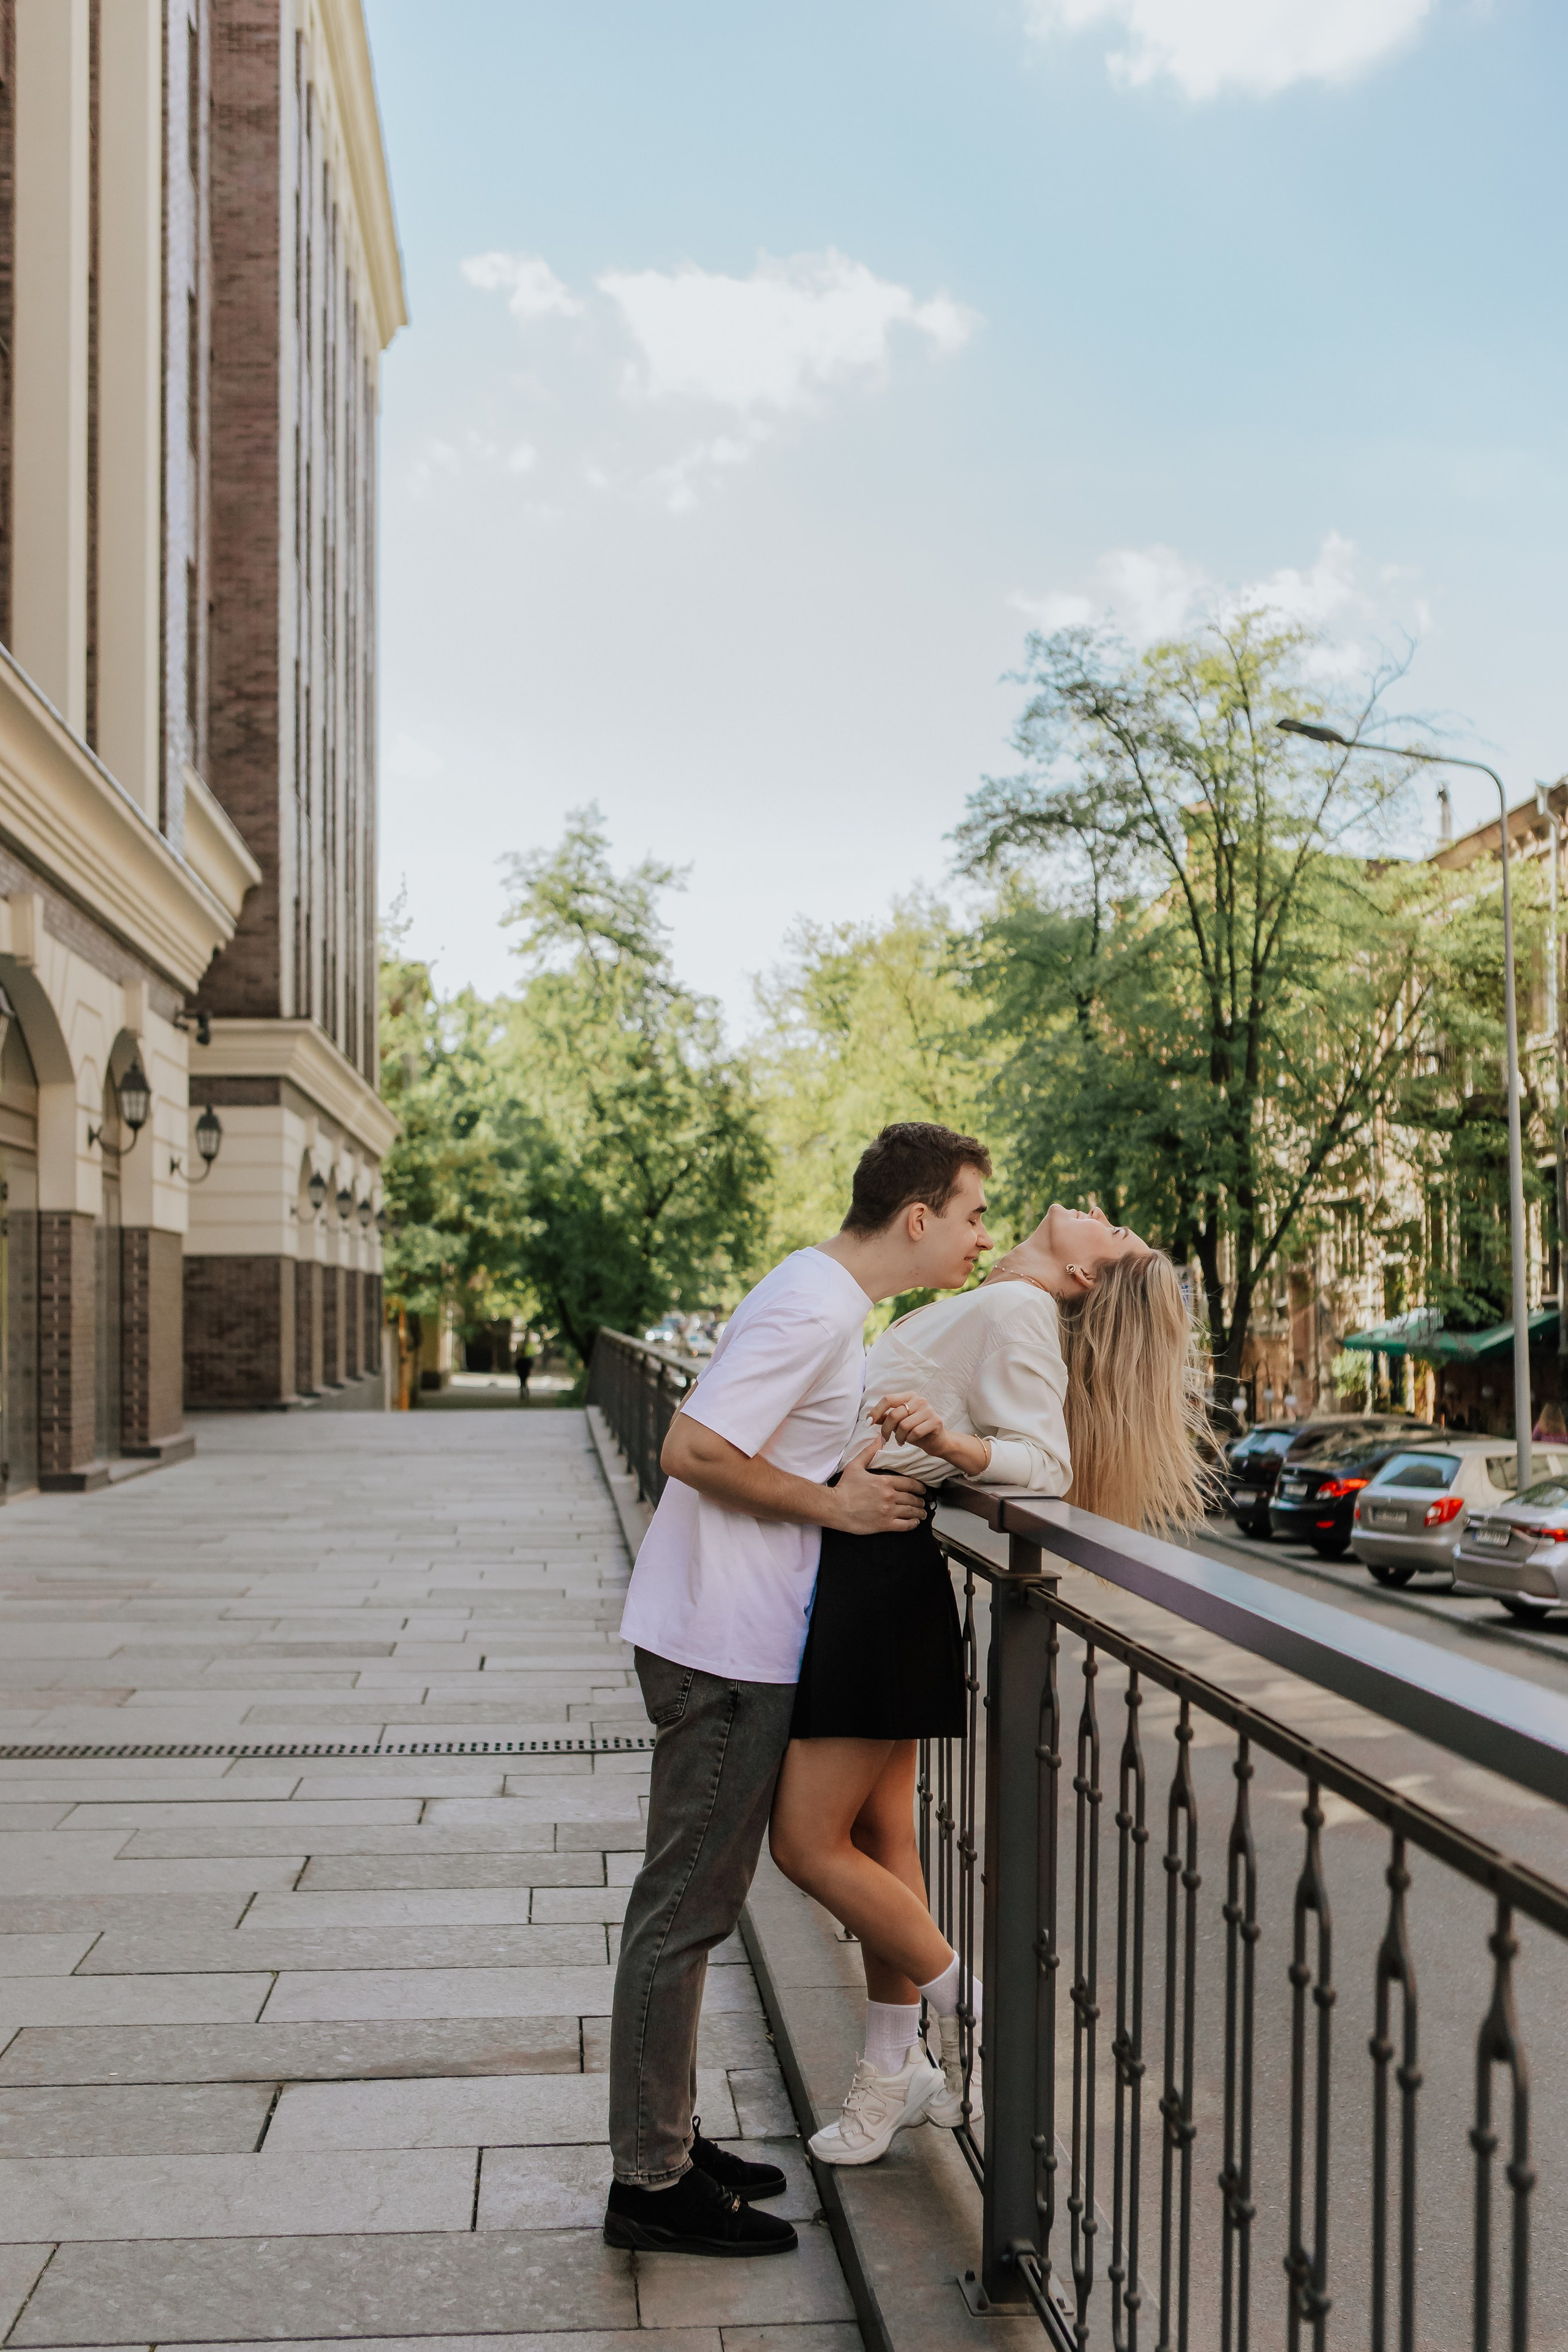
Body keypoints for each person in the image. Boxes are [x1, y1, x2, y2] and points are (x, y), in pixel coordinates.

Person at [603, 1122, 996, 2259]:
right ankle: (649, 2181)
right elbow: (691, 1450)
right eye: (973, 1214)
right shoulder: (816, 1307)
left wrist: (847, 1467)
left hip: (730, 1637)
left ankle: (667, 2143)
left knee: (696, 1903)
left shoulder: (821, 1295)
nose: (982, 1237)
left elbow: (755, 1438)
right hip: (721, 1647)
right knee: (684, 1911)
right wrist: (837, 1505)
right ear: (917, 1217)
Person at [769, 1204, 1208, 2168]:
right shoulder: (998, 1300)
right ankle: (894, 2075)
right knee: (881, 1841)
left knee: (804, 1842)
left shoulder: (1018, 1310)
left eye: (1120, 1238)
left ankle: (984, 2010)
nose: (1109, 1218)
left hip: (877, 1582)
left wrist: (953, 1446)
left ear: (1085, 1279)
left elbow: (1044, 1467)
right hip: (875, 1568)